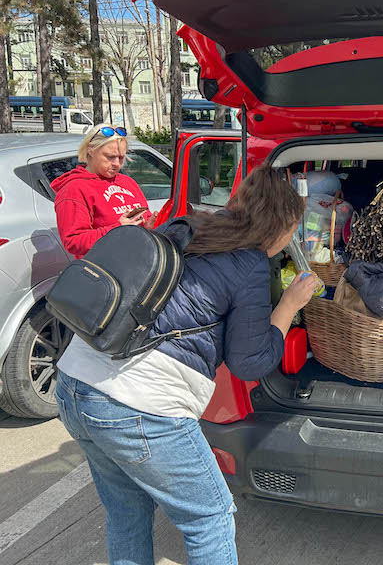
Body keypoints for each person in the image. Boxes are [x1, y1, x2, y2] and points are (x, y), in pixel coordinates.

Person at [54, 166, 318, 565]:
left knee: (127, 513)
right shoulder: (248, 263)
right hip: (139, 406)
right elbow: (249, 362)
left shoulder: (188, 226)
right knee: (209, 518)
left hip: (76, 382)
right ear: (282, 225)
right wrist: (287, 306)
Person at [52, 124, 156, 259]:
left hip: (138, 263)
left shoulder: (127, 182)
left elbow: (143, 220)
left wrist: (150, 225)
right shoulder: (74, 189)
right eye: (110, 157)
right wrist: (117, 230)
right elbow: (73, 241)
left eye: (121, 157)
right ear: (91, 151)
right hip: (106, 271)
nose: (117, 164)